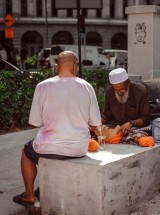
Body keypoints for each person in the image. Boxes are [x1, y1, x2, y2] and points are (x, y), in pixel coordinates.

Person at [13, 51, 102, 206]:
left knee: (26, 150)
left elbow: (36, 122)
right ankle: (42, 188)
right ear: (75, 66)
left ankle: (28, 195)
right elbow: (94, 123)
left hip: (50, 147)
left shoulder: (42, 86)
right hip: (78, 148)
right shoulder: (87, 86)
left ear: (56, 67)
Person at [101, 68, 150, 134]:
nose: (119, 93)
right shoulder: (109, 91)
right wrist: (97, 122)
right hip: (115, 125)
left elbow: (146, 118)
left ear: (128, 84)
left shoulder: (140, 91)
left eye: (121, 89)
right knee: (98, 133)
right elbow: (106, 115)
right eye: (116, 90)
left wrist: (131, 123)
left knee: (139, 136)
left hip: (135, 126)